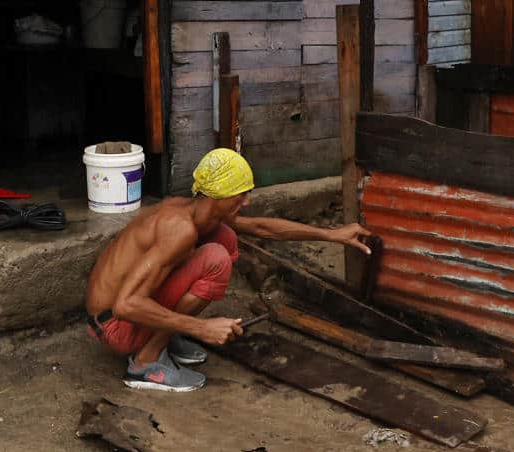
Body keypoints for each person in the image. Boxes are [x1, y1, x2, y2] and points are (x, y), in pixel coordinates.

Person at [83, 148, 374, 392]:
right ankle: (145, 363)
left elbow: (262, 228)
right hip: (113, 325)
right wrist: (202, 327)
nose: (246, 201)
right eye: (240, 195)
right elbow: (126, 304)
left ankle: (162, 338)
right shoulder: (179, 229)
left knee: (225, 237)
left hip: (116, 314)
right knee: (215, 259)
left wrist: (332, 234)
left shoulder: (195, 211)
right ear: (217, 196)